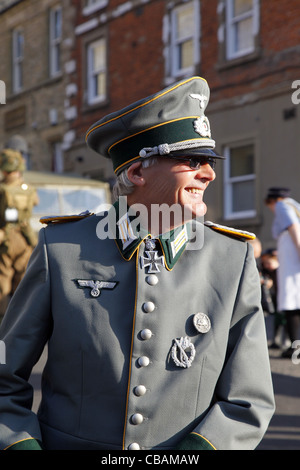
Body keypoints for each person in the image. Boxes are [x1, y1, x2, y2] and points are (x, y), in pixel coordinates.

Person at [0, 76, 274, 450]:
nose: (208, 173)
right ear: (137, 172)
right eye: (191, 160)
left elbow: (249, 398)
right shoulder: (61, 248)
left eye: (209, 161)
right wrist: (20, 445)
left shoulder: (231, 257)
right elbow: (5, 374)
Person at [0, 149, 38, 318]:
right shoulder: (28, 188)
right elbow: (35, 203)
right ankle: (20, 320)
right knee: (22, 283)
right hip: (25, 237)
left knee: (2, 282)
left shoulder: (2, 189)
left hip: (5, 238)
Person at [265, 187, 300, 358]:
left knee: (290, 300)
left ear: (273, 200)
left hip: (292, 254)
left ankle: (295, 347)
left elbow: (293, 227)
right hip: (291, 251)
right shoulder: (294, 204)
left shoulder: (280, 205)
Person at [261, 248, 287, 349]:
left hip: (284, 298)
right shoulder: (268, 272)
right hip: (276, 298)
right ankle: (275, 340)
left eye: (269, 263)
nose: (267, 265)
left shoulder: (282, 270)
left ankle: (285, 341)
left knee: (284, 321)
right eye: (265, 263)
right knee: (277, 320)